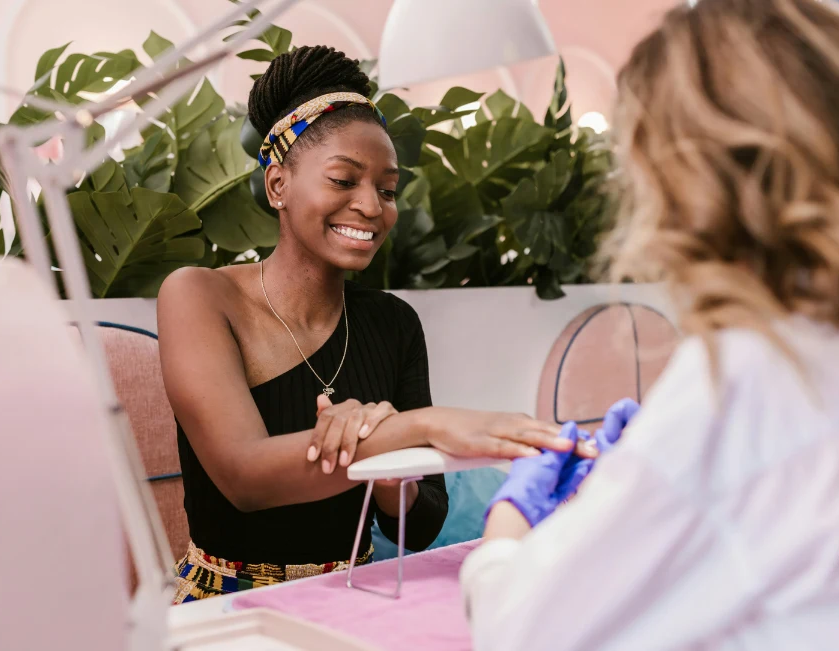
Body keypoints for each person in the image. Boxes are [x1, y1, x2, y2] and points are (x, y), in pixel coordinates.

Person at [460, 0, 839, 649]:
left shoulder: (752, 382)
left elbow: (522, 632)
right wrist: (651, 472)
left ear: (688, 183)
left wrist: (514, 514)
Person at [157, 46, 580, 604]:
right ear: (278, 185)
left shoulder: (392, 323)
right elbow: (246, 478)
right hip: (225, 607)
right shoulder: (198, 295)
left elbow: (421, 523)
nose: (371, 206)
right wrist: (412, 429)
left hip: (355, 594)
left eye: (386, 190)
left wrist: (386, 474)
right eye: (343, 180)